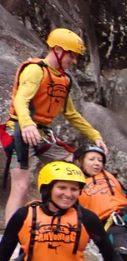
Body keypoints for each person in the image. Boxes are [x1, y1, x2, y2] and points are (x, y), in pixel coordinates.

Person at [3, 28, 107, 225]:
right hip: (19, 129)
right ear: (58, 50)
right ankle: (10, 233)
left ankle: (63, 219)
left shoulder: (64, 79)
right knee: (21, 185)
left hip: (42, 132)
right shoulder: (35, 70)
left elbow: (71, 114)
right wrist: (27, 124)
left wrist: (95, 135)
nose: (74, 61)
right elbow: (21, 100)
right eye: (71, 55)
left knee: (73, 165)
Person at [74, 144, 127, 261]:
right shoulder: (74, 184)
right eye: (91, 159)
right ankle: (123, 251)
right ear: (79, 162)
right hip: (108, 222)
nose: (97, 163)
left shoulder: (109, 176)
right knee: (122, 253)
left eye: (100, 160)